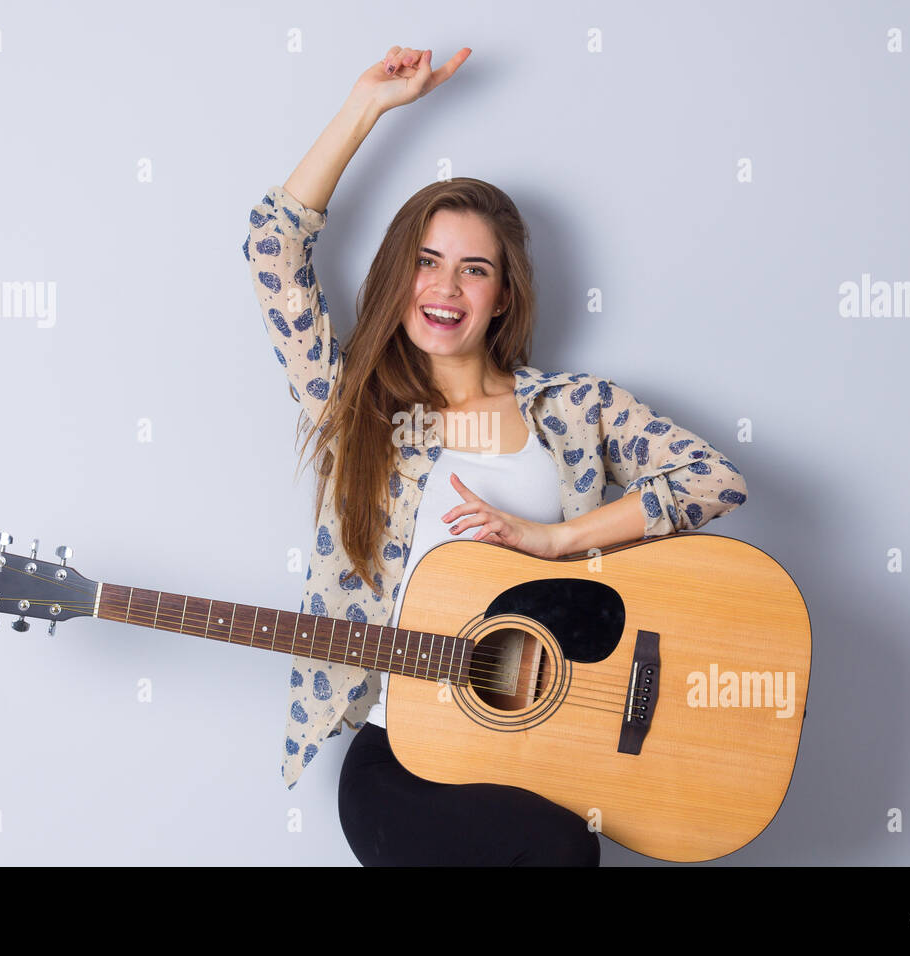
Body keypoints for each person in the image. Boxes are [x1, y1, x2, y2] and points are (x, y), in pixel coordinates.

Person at [244, 45, 748, 865]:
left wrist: (550, 539)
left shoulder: (574, 408)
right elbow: (272, 249)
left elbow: (713, 480)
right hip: (400, 753)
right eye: (426, 262)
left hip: (540, 743)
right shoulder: (357, 409)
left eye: (473, 270)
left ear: (503, 294)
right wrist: (364, 108)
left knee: (559, 849)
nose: (445, 290)